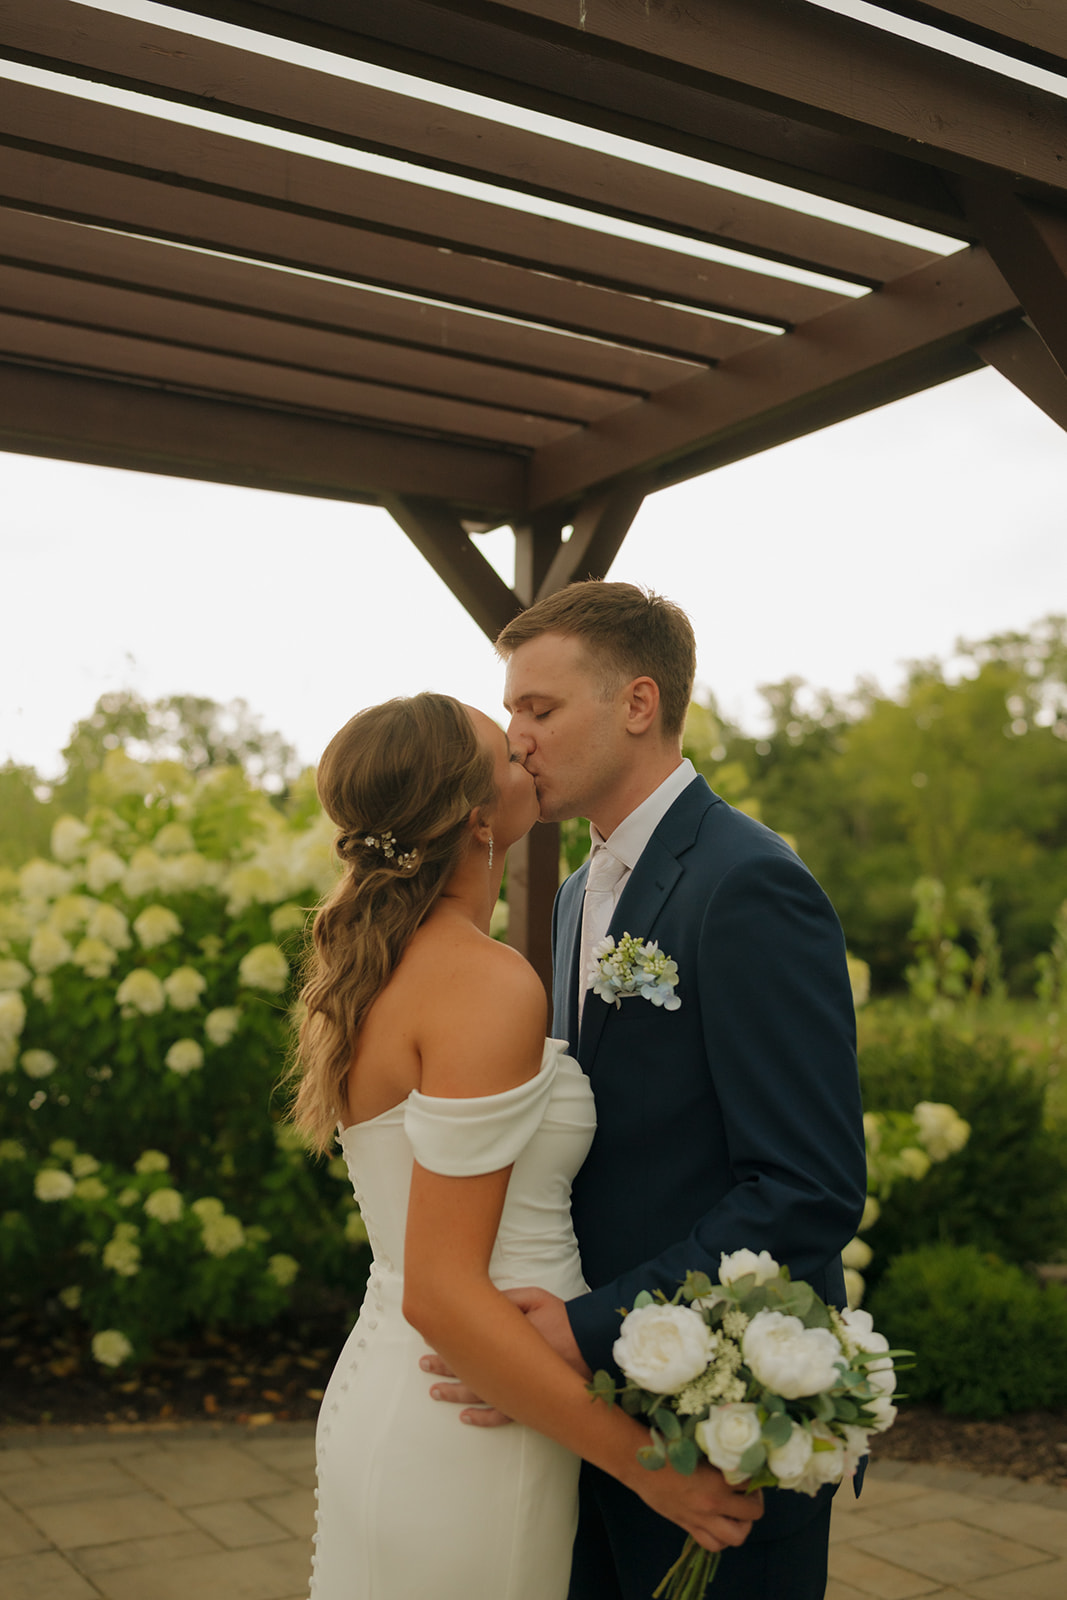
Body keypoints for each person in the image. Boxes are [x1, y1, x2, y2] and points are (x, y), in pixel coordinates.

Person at [431, 583, 867, 1599]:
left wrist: (581, 1329)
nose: (515, 738)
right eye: (510, 712)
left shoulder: (748, 881)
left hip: (719, 1416)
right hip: (599, 1414)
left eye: (538, 708)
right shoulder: (579, 889)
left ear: (635, 703)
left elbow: (803, 1188)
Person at [287, 691, 762, 1600]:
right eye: (506, 752)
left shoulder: (381, 967)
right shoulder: (481, 984)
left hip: (410, 1388)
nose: (526, 752)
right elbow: (443, 1290)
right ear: (477, 819)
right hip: (467, 1417)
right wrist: (651, 1467)